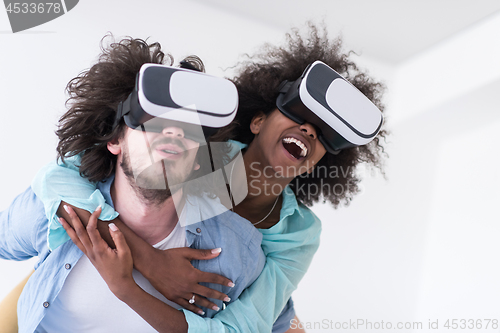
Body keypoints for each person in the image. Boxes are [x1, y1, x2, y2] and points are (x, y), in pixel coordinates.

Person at [2, 24, 388, 332]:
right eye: (297, 116)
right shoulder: (202, 158)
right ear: (255, 121)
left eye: (321, 136)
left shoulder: (294, 234)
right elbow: (63, 175)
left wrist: (127, 288)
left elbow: (260, 315)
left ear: (314, 165)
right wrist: (148, 261)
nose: (308, 131)